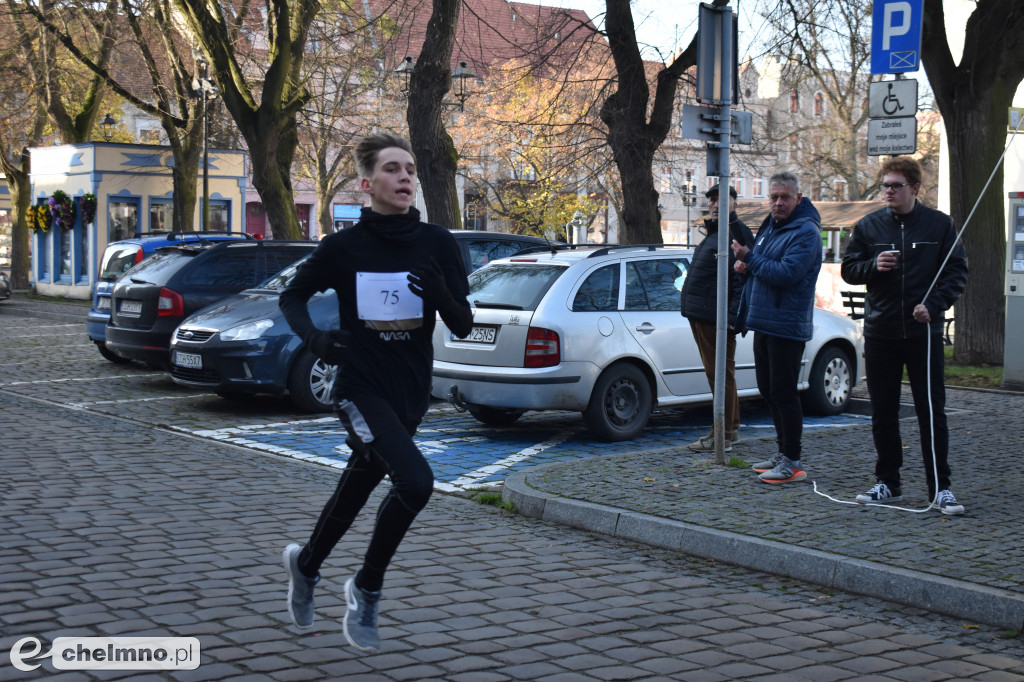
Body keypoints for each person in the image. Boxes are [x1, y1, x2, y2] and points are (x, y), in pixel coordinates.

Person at [278, 132, 473, 651]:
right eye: (392, 169)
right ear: (367, 184)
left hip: (410, 392)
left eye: (409, 168)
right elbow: (292, 295)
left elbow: (463, 324)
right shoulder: (344, 248)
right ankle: (366, 587)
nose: (405, 176)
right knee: (415, 482)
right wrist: (314, 338)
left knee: (363, 480)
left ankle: (307, 564)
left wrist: (439, 294)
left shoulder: (437, 243)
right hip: (361, 388)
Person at [841, 156, 968, 514]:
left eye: (896, 186)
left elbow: (956, 271)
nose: (888, 192)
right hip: (881, 329)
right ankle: (888, 482)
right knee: (883, 411)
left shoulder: (939, 226)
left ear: (914, 188)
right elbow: (850, 270)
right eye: (884, 186)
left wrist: (936, 305)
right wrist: (872, 267)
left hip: (922, 330)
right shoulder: (868, 227)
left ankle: (941, 488)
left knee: (931, 410)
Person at [732, 172, 822, 484]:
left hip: (787, 324)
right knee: (768, 391)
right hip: (764, 321)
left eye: (784, 197)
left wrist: (750, 259)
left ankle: (792, 461)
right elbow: (762, 267)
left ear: (799, 198)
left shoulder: (806, 232)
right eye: (773, 197)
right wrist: (746, 268)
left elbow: (788, 273)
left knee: (784, 394)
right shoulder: (772, 227)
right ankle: (782, 452)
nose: (778, 203)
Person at [680, 184, 754, 452]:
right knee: (723, 373)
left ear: (734, 203)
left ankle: (720, 435)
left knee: (719, 374)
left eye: (721, 200)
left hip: (715, 317)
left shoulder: (735, 233)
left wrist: (734, 317)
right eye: (711, 200)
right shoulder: (715, 233)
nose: (714, 204)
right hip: (703, 314)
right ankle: (730, 428)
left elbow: (742, 279)